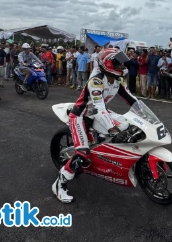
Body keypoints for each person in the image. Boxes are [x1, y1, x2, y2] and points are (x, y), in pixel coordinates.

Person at [53, 48, 138, 203]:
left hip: (99, 112)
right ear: (108, 63)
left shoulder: (118, 80)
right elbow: (98, 107)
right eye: (118, 63)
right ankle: (60, 184)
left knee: (128, 128)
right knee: (83, 154)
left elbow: (132, 99)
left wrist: (147, 115)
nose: (122, 66)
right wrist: (112, 129)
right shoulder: (96, 81)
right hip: (81, 116)